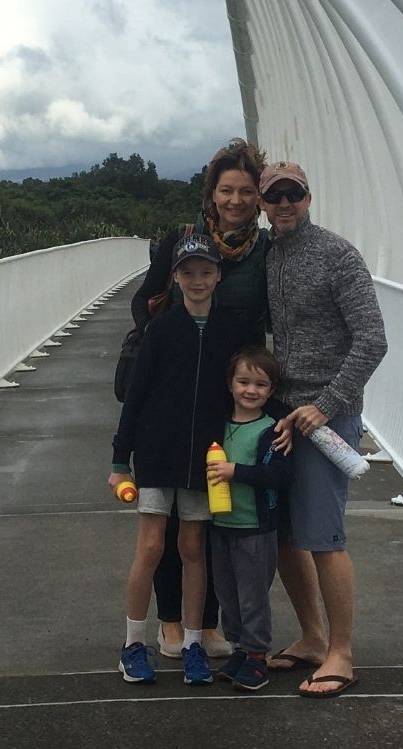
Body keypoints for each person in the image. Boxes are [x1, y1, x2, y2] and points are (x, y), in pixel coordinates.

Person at [130, 139, 271, 660]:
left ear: (258, 199)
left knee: (210, 517)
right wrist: (169, 352)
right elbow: (142, 301)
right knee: (166, 524)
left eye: (247, 192)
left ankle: (205, 624)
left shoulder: (263, 251)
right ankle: (170, 622)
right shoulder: (182, 241)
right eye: (226, 190)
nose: (235, 200)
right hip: (177, 397)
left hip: (230, 399)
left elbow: (264, 321)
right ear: (211, 194)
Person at [259, 161, 388, 698]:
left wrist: (328, 403)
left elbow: (372, 339)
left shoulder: (337, 255)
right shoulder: (268, 256)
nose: (284, 204)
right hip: (282, 412)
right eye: (275, 196)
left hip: (325, 417)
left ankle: (342, 652)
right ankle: (312, 639)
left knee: (324, 537)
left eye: (294, 195)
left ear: (309, 198)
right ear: (263, 204)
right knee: (288, 539)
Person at [109, 234, 260, 685]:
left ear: (218, 276)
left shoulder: (231, 333)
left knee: (194, 549)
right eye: (188, 272)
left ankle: (193, 642)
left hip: (205, 460)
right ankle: (134, 642)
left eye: (206, 272)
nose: (198, 280)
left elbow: (244, 390)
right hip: (157, 454)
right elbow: (135, 398)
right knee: (152, 548)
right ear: (174, 278)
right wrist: (120, 460)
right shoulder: (161, 330)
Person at [206, 346, 292, 691]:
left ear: (271, 391)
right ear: (230, 384)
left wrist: (235, 471)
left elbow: (280, 475)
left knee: (253, 594)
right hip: (221, 525)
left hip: (255, 527)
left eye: (260, 384)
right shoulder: (220, 424)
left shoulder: (273, 431)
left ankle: (257, 655)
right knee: (227, 593)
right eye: (243, 381)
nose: (250, 390)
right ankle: (239, 647)